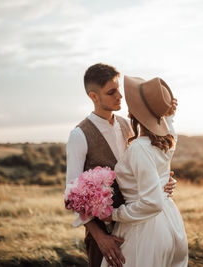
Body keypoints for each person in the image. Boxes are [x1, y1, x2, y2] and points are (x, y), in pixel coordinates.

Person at [65, 63, 177, 267]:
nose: (120, 96)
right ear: (93, 96)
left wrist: (162, 184)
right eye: (111, 92)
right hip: (106, 237)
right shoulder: (79, 135)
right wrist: (100, 238)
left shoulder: (127, 127)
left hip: (139, 227)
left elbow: (143, 169)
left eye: (118, 89)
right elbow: (72, 196)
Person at [100, 76, 188, 267]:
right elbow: (168, 123)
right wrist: (168, 113)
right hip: (170, 222)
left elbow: (152, 202)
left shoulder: (140, 148)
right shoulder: (169, 138)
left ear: (134, 113)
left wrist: (114, 214)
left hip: (145, 229)